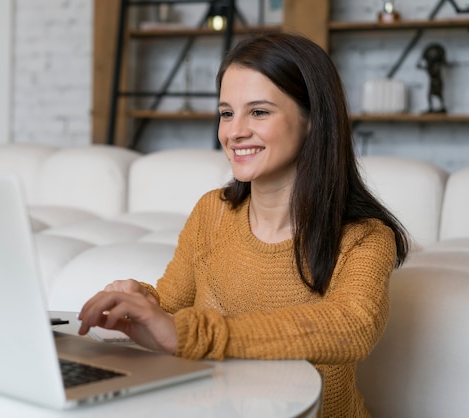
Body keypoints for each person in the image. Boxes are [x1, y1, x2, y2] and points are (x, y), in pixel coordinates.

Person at [78, 32, 409, 417]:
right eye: (226, 112)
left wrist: (191, 333)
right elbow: (172, 304)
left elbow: (352, 326)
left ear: (313, 120)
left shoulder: (364, 236)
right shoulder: (212, 212)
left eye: (259, 112)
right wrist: (140, 302)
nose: (234, 132)